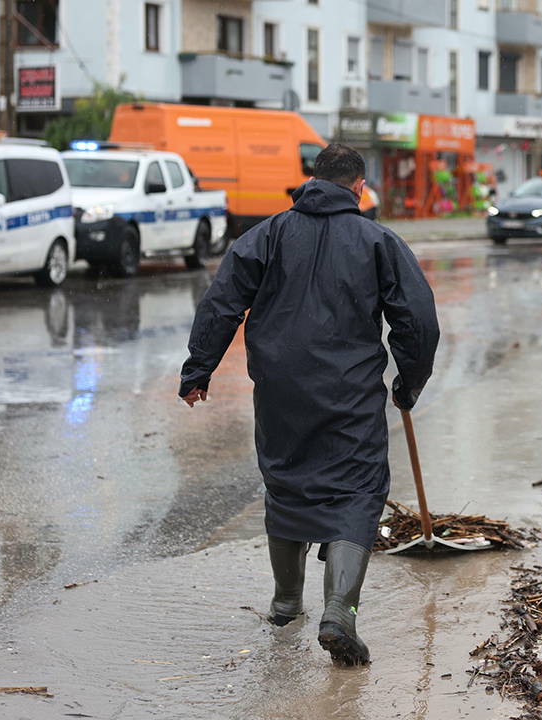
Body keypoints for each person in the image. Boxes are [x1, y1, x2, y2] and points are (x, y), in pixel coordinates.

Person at [177, 144, 440, 667]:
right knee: (358, 489)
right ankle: (339, 610)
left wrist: (198, 368)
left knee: (287, 479)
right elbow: (417, 320)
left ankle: (285, 602)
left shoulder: (266, 236)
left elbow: (222, 301)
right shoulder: (378, 240)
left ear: (312, 181)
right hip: (350, 393)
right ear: (359, 188)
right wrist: (409, 381)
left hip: (279, 389)